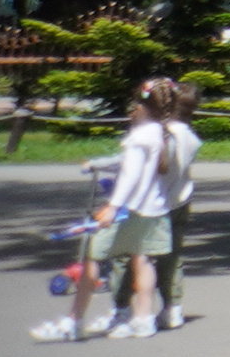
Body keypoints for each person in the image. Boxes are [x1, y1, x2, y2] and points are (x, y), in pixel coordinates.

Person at [53, 77, 195, 341]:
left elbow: (129, 174)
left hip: (129, 209)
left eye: (135, 104)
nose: (132, 110)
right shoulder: (170, 136)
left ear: (142, 106)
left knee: (94, 256)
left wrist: (112, 205)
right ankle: (143, 319)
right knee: (144, 260)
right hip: (159, 210)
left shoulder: (141, 136)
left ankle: (77, 320)